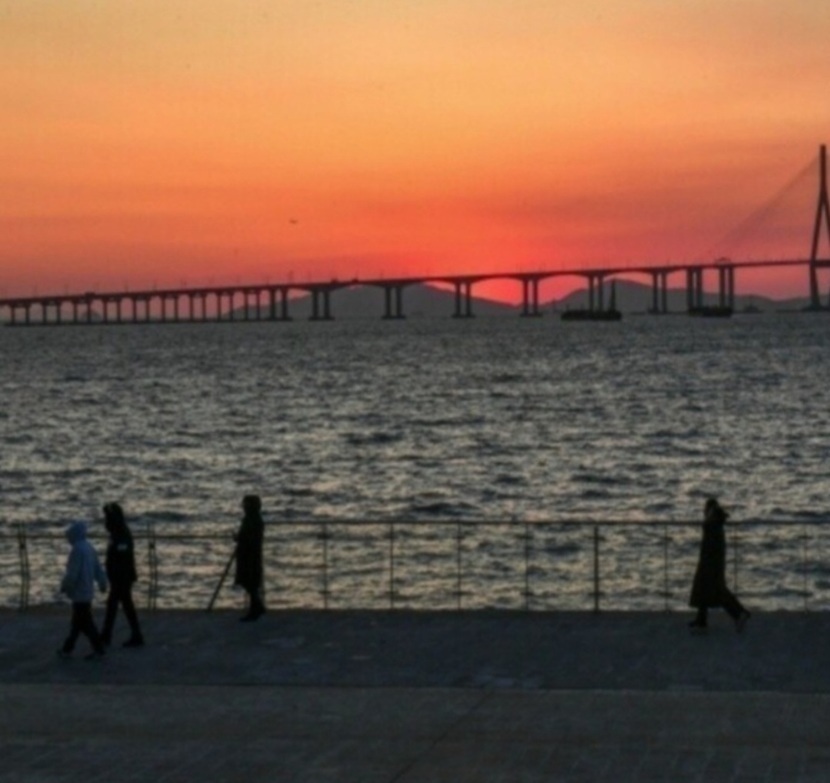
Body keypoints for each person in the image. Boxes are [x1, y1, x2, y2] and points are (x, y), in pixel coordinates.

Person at [689, 498, 751, 633]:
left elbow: (709, 544)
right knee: (705, 589)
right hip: (711, 561)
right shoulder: (716, 523)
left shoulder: (712, 524)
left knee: (717, 591)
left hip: (710, 562)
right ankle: (701, 619)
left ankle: (739, 613)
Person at [57, 521, 108, 659]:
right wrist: (103, 582)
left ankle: (98, 649)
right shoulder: (89, 548)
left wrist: (65, 586)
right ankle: (67, 649)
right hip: (88, 591)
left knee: (84, 624)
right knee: (78, 623)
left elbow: (72, 573)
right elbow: (98, 568)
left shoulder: (77, 550)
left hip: (79, 592)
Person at [101, 502, 144, 648]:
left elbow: (122, 558)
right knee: (123, 605)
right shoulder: (116, 534)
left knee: (115, 605)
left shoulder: (122, 535)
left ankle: (107, 635)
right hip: (118, 578)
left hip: (122, 578)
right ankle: (134, 634)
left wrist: (115, 574)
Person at [234, 494, 266, 621]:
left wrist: (239, 538)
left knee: (250, 582)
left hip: (249, 554)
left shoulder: (252, 519)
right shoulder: (253, 519)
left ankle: (256, 608)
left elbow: (248, 536)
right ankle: (257, 606)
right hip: (249, 554)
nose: (244, 507)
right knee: (249, 583)